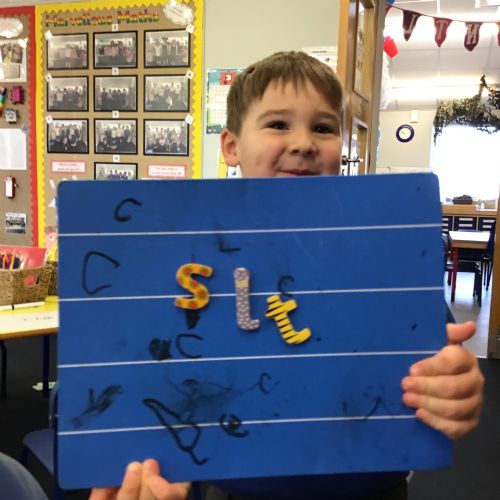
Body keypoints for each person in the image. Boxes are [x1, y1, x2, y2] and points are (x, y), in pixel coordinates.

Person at [91, 51, 484, 500]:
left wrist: (454, 387)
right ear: (231, 147)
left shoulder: (380, 250)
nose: (303, 143)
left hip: (370, 485)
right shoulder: (191, 251)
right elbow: (136, 372)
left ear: (342, 145)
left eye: (323, 127)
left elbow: (437, 357)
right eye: (278, 124)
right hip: (237, 488)